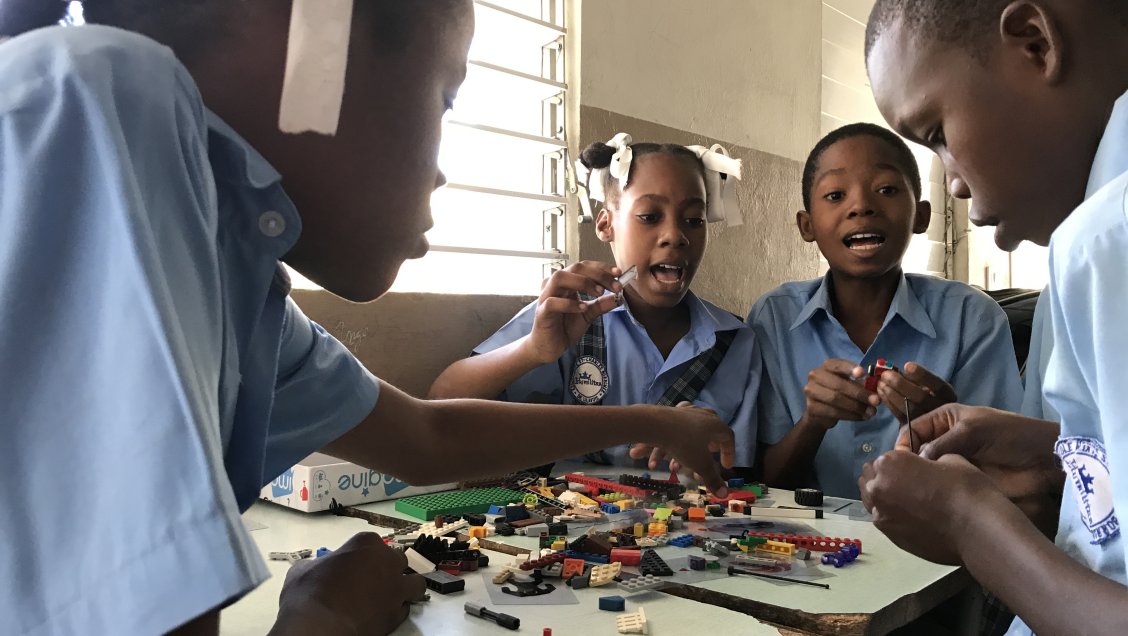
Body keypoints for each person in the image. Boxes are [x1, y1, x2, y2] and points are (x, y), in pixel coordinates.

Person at [0, 3, 737, 634]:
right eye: (444, 99)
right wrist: (320, 624)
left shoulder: (245, 290)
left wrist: (658, 422)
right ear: (313, 38)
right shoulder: (98, 103)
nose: (441, 170)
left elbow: (426, 438)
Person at [858, 1, 1128, 634]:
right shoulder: (1086, 243)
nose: (951, 182)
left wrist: (969, 524)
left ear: (1035, 44)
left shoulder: (1106, 239)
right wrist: (1054, 456)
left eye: (937, 134)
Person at [430, 134, 760, 469]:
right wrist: (532, 350)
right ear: (606, 225)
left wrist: (704, 460)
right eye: (649, 216)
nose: (675, 235)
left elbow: (738, 470)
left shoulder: (733, 341)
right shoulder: (569, 314)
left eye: (694, 220)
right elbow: (441, 404)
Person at [749, 123, 1023, 498]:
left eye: (887, 190)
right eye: (835, 195)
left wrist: (946, 424)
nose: (861, 206)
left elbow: (1006, 479)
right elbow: (766, 482)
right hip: (806, 535)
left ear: (921, 216)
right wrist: (812, 421)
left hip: (935, 533)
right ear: (807, 225)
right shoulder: (775, 318)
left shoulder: (972, 318)